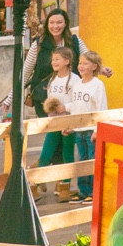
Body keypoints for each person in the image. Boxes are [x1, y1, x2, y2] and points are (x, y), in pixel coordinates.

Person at [61, 50, 108, 199]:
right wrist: (70, 124)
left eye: (85, 64)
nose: (81, 66)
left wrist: (97, 129)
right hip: (79, 130)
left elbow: (102, 107)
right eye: (80, 63)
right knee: (82, 160)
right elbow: (75, 105)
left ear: (94, 67)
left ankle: (94, 191)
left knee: (93, 160)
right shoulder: (77, 85)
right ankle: (83, 191)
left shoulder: (98, 85)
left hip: (91, 130)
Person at [38, 45, 80, 198]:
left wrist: (66, 107)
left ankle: (64, 187)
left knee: (67, 154)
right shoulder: (53, 80)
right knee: (46, 152)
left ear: (67, 61)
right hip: (55, 122)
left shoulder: (75, 80)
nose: (53, 62)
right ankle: (37, 182)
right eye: (53, 59)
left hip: (68, 122)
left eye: (57, 59)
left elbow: (77, 102)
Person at [27, 7, 81, 117]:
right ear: (47, 24)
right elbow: (25, 71)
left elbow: (87, 59)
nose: (55, 26)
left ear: (65, 24)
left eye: (59, 22)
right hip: (45, 100)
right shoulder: (39, 44)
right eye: (51, 22)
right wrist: (10, 98)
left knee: (69, 132)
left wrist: (101, 69)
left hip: (71, 100)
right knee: (51, 132)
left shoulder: (74, 41)